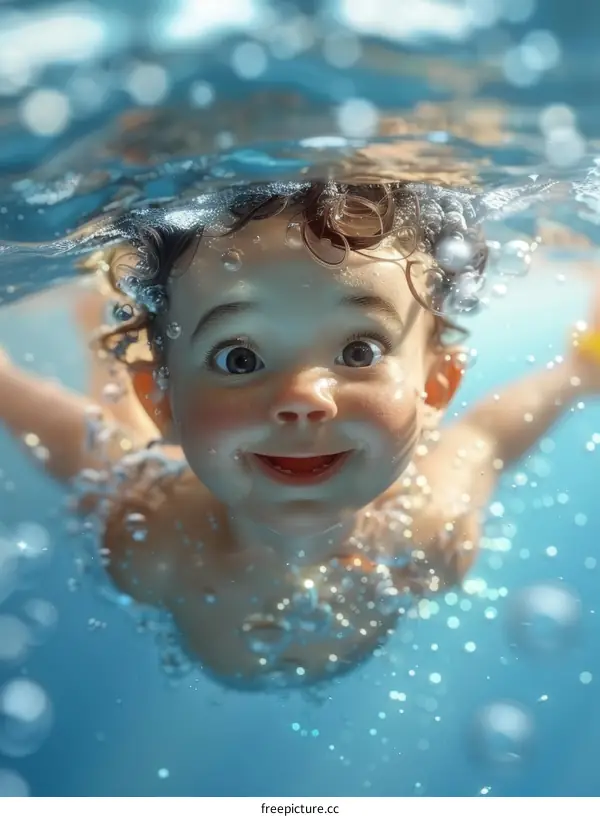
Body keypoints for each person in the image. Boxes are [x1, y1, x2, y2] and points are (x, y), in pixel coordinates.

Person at [0, 179, 598, 691]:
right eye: (239, 357)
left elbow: (488, 438)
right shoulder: (155, 543)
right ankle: (102, 317)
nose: (304, 399)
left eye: (358, 350)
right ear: (161, 401)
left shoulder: (424, 534)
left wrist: (580, 371)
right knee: (120, 457)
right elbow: (82, 448)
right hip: (156, 468)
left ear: (435, 387)